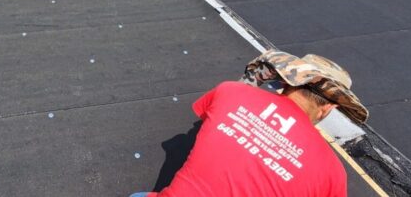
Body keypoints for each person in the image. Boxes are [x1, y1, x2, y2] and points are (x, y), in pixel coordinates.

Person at [132, 50, 369, 197]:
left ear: (286, 80)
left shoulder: (229, 93)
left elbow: (209, 122)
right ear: (329, 107)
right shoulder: (331, 172)